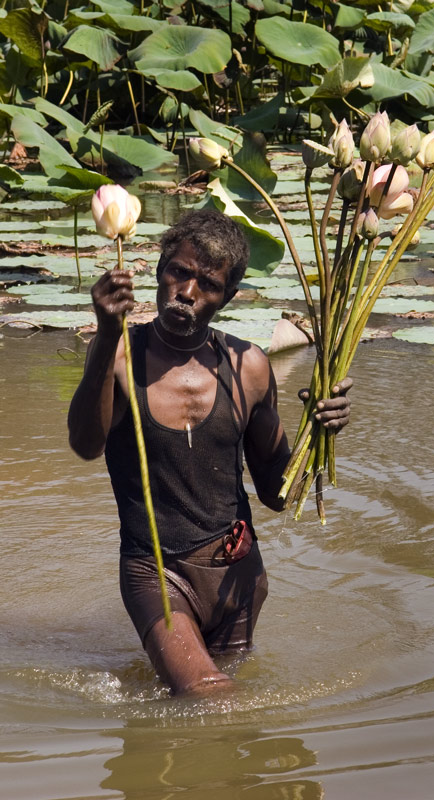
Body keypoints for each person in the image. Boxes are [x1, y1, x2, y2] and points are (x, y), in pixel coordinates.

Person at [68, 209, 351, 695]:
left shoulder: (249, 367)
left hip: (238, 573)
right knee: (209, 695)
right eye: (179, 272)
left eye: (208, 284)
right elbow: (85, 444)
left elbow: (278, 494)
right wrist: (106, 333)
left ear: (228, 297)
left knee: (208, 718)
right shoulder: (118, 354)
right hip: (158, 573)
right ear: (158, 271)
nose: (188, 293)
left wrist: (318, 433)